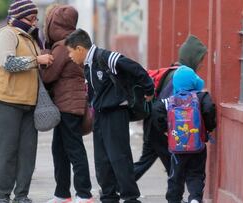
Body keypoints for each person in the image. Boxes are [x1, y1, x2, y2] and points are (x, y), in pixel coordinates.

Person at [65, 28, 154, 203]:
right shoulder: (88, 66)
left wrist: (148, 89)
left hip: (115, 114)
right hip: (100, 116)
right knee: (102, 161)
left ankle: (130, 197)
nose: (69, 56)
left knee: (119, 158)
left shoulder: (105, 57)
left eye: (70, 52)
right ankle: (108, 196)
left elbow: (134, 68)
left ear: (79, 49)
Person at [0, 0, 53, 202]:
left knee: (28, 152)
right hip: (5, 101)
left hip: (28, 102)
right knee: (8, 151)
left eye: (36, 18)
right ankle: (2, 195)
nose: (34, 22)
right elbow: (9, 63)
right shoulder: (7, 33)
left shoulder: (31, 38)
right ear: (17, 17)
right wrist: (36, 61)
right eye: (30, 18)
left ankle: (22, 195)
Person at [133, 35, 208, 181]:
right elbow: (166, 107)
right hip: (159, 128)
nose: (202, 64)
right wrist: (166, 130)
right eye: (201, 60)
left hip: (152, 126)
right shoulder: (179, 77)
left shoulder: (173, 71)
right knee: (174, 168)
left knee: (148, 163)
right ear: (192, 58)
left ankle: (117, 186)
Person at [40, 5, 93, 203]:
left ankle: (84, 194)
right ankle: (62, 194)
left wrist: (43, 56)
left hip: (68, 104)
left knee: (73, 149)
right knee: (60, 150)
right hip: (69, 103)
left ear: (55, 23)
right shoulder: (73, 41)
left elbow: (48, 76)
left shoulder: (62, 45)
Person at [156, 66, 217, 203]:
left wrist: (166, 129)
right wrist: (208, 127)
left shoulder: (170, 101)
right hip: (198, 144)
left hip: (177, 146)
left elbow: (157, 111)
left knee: (175, 175)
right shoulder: (201, 97)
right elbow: (208, 110)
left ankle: (173, 199)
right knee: (196, 173)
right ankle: (195, 198)